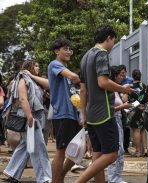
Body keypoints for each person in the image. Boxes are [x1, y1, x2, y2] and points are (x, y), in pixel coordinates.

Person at [76, 24, 132, 183]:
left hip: (92, 114)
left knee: (98, 154)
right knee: (112, 153)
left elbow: (83, 90)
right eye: (113, 41)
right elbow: (103, 82)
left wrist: (84, 114)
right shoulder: (101, 54)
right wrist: (123, 89)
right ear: (109, 38)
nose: (113, 46)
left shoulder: (85, 56)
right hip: (105, 112)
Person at [3, 61, 51, 183]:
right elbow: (23, 99)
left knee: (26, 145)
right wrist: (29, 116)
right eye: (35, 65)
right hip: (29, 115)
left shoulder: (34, 80)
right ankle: (44, 177)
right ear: (28, 68)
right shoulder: (22, 80)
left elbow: (49, 84)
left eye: (38, 65)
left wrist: (32, 75)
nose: (38, 67)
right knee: (38, 147)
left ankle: (12, 172)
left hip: (36, 115)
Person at [48, 38, 81, 183]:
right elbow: (74, 77)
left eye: (70, 49)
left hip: (73, 114)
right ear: (56, 51)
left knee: (78, 150)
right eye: (65, 49)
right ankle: (56, 180)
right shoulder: (55, 65)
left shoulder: (63, 69)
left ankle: (59, 177)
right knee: (61, 151)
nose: (68, 52)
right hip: (62, 113)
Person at [107, 65, 133, 183]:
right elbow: (109, 108)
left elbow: (120, 104)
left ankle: (117, 177)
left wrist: (127, 106)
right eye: (121, 74)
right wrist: (124, 106)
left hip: (118, 119)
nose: (123, 77)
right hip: (112, 120)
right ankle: (113, 178)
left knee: (120, 149)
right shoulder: (110, 88)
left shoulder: (116, 89)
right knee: (116, 149)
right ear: (115, 75)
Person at [127, 69, 148, 157]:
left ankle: (138, 151)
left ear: (132, 76)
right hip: (143, 109)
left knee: (136, 130)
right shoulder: (144, 86)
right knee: (143, 130)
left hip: (134, 109)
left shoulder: (130, 86)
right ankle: (146, 149)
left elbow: (125, 99)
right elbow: (147, 98)